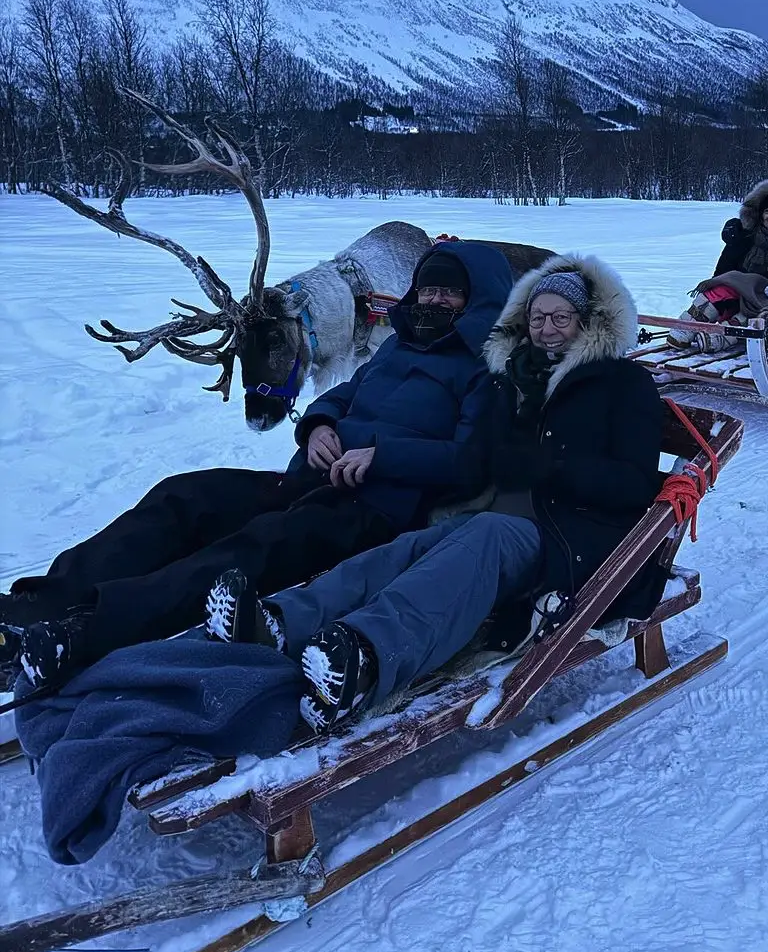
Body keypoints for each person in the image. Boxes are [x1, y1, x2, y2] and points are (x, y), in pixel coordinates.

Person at [1, 241, 514, 691]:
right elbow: (342, 394)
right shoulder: (399, 342)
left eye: (452, 292)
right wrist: (318, 426)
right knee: (186, 496)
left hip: (375, 508)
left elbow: (471, 462)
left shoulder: (487, 368)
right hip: (310, 477)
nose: (435, 300)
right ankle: (42, 604)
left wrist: (383, 456)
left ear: (481, 298)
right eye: (429, 289)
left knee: (250, 548)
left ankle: (86, 631)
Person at [200, 254, 665, 733]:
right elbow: (476, 457)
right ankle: (279, 622)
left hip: (572, 536)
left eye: (561, 318)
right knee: (408, 549)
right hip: (495, 514)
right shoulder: (513, 378)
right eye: (538, 317)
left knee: (485, 537)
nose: (547, 329)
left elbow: (634, 485)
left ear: (588, 322)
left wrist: (556, 467)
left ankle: (366, 657)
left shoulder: (622, 384)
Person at [670, 178, 768, 368]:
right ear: (760, 214)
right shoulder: (746, 237)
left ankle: (718, 338)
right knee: (721, 289)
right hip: (741, 294)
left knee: (756, 316)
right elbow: (723, 270)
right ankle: (686, 327)